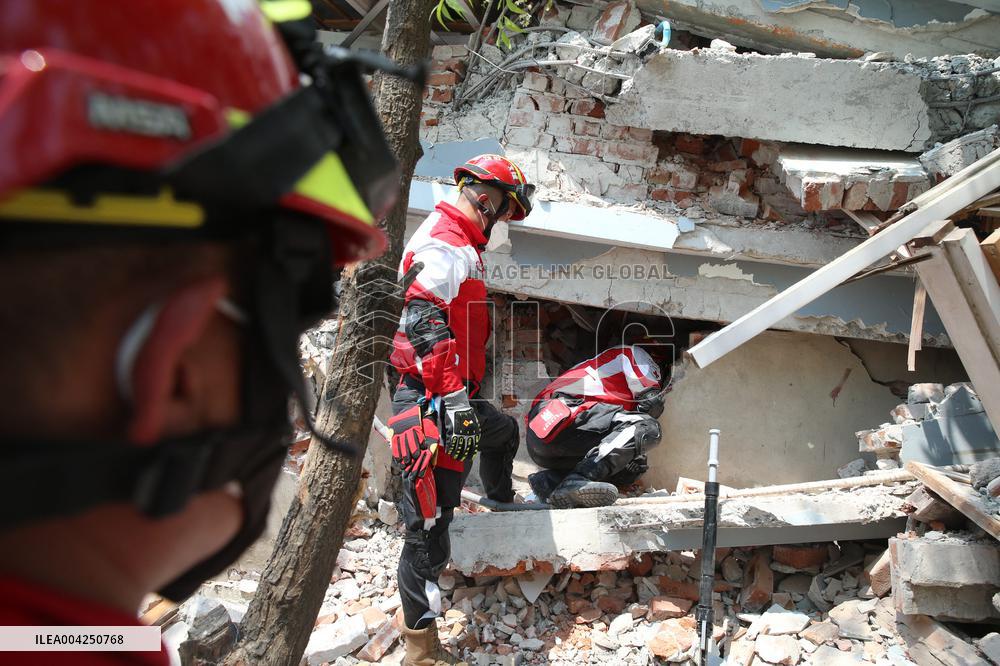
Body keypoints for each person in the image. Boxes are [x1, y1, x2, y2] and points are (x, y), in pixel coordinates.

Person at [0, 1, 415, 662]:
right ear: (179, 370)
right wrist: (449, 412)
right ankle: (421, 634)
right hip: (440, 414)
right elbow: (442, 339)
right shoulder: (455, 248)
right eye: (280, 331)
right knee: (432, 524)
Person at [388, 154, 534, 665]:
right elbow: (424, 323)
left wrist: (463, 401)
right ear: (485, 199)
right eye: (503, 213)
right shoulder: (444, 245)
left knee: (504, 434)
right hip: (434, 401)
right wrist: (452, 404)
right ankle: (421, 650)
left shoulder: (461, 243)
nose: (499, 227)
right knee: (428, 525)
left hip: (455, 398)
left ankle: (499, 506)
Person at [525, 344, 666, 509]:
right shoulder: (635, 354)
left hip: (540, 439)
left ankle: (552, 481)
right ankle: (577, 480)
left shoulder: (603, 380)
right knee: (648, 428)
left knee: (629, 466)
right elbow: (651, 402)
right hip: (563, 413)